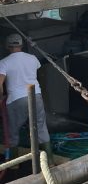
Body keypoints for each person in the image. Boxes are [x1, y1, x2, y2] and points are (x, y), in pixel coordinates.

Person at [0, 33, 52, 162]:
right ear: (21, 45)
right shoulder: (33, 58)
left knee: (13, 131)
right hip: (36, 96)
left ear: (7, 46)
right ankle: (49, 161)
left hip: (17, 99)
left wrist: (1, 97)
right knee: (41, 127)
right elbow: (39, 75)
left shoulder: (4, 62)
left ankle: (13, 164)